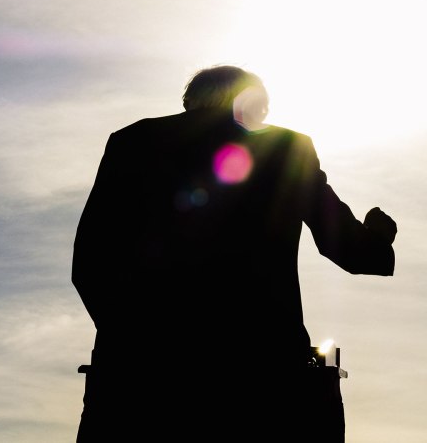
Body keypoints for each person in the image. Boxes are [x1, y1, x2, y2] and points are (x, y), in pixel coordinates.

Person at [72, 65, 397, 442]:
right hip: (260, 374)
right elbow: (345, 247)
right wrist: (379, 238)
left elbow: (91, 259)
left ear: (190, 102)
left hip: (139, 380)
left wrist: (131, 339)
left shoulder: (131, 142)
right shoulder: (288, 148)